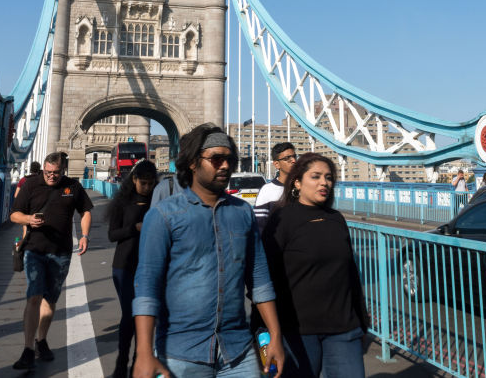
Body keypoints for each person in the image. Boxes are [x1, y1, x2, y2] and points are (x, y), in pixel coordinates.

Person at [132, 124, 286, 378]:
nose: (225, 166)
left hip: (237, 350)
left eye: (230, 160)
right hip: (180, 353)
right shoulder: (163, 215)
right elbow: (147, 286)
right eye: (216, 159)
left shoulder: (243, 213)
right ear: (193, 162)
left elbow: (259, 280)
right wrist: (144, 353)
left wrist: (276, 336)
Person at [261, 153, 368, 378]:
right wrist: (265, 329)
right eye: (316, 176)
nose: (324, 183)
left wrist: (361, 320)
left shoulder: (336, 219)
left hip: (343, 328)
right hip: (297, 331)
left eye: (328, 178)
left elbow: (349, 273)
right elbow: (265, 276)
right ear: (297, 183)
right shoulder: (282, 220)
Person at [10, 152, 93, 369]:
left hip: (61, 252)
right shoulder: (31, 185)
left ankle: (42, 340)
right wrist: (28, 219)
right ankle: (28, 349)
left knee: (50, 299)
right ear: (43, 169)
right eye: (48, 172)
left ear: (63, 170)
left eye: (56, 173)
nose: (51, 176)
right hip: (34, 250)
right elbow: (14, 214)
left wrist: (84, 235)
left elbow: (85, 211)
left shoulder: (73, 186)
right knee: (34, 296)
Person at [108, 160, 158, 378]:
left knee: (145, 316)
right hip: (124, 266)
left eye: (150, 184)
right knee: (129, 315)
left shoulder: (158, 202)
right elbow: (112, 235)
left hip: (149, 267)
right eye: (143, 183)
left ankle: (139, 363)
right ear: (135, 179)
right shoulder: (122, 202)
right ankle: (121, 362)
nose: (146, 188)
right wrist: (134, 228)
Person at [253, 142, 296, 230]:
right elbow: (259, 226)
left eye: (294, 156)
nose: (294, 161)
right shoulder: (267, 190)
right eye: (287, 158)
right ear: (277, 164)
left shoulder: (304, 187)